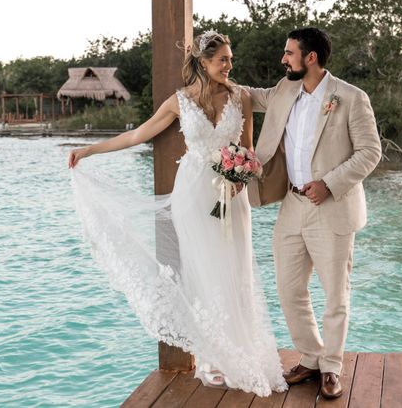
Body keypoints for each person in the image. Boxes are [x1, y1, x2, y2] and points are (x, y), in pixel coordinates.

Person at [68, 31, 287, 396]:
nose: (229, 65)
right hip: (193, 195)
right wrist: (89, 150)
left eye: (231, 59)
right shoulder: (179, 102)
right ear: (203, 63)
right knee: (202, 270)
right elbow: (138, 134)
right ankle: (213, 357)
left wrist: (242, 174)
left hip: (232, 196)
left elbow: (247, 148)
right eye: (223, 60)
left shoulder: (241, 98)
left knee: (236, 267)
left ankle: (242, 349)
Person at [246, 27, 382, 400]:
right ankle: (310, 356)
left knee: (336, 295)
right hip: (292, 205)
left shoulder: (351, 98)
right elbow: (248, 96)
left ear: (311, 58)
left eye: (289, 53)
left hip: (332, 206)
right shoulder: (285, 90)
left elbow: (370, 152)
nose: (283, 59)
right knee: (289, 290)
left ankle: (332, 368)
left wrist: (330, 183)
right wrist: (211, 75)